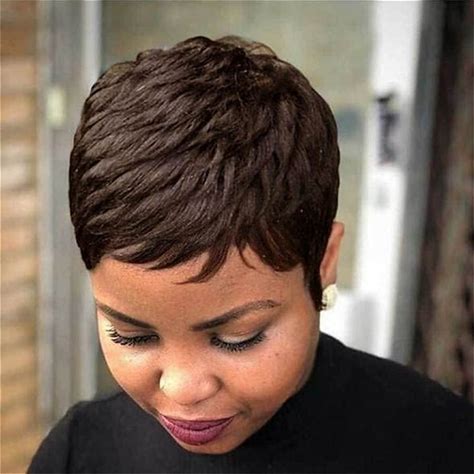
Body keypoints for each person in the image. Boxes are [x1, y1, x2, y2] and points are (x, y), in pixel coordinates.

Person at [28, 35, 473, 473]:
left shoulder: (442, 447)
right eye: (131, 335)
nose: (183, 389)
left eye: (236, 337)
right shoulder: (80, 453)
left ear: (324, 261)